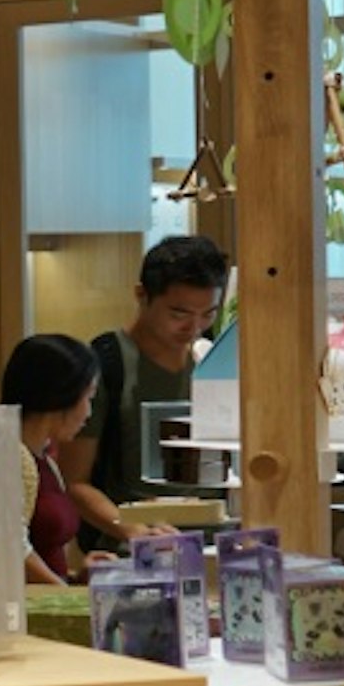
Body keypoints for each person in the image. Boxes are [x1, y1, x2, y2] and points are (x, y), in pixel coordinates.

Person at [69, 233, 229, 552]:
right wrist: (134, 532)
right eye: (179, 314)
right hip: (131, 553)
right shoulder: (104, 364)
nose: (194, 327)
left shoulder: (216, 359)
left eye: (208, 314)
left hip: (213, 545)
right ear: (142, 295)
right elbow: (74, 482)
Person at [4, 333, 98, 585]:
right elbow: (13, 551)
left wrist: (77, 579)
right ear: (63, 396)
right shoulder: (10, 460)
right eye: (88, 398)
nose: (89, 413)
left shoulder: (46, 459)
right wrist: (68, 597)